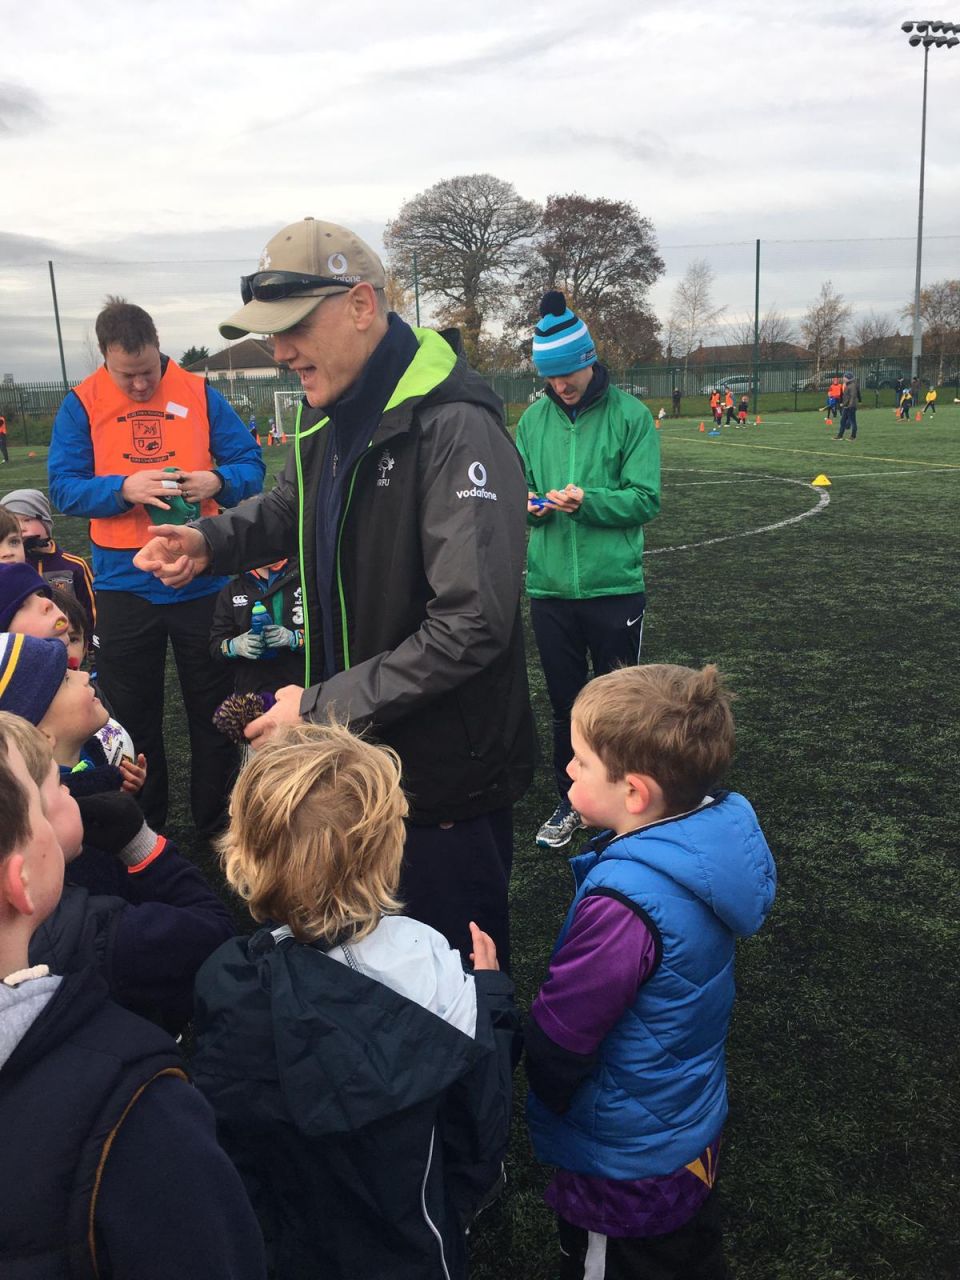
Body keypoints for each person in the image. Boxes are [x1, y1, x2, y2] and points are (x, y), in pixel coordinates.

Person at [134, 217, 534, 968]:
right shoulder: (329, 418)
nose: (280, 352)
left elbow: (472, 624)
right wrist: (205, 541)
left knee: (453, 993)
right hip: (358, 762)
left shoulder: (454, 426)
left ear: (361, 306)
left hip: (441, 782)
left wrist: (317, 707)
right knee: (370, 988)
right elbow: (289, 511)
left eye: (292, 329)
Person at [192, 721, 519, 1279]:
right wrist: (490, 995)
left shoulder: (225, 980)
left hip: (285, 1241)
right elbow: (480, 1126)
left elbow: (223, 1132)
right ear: (388, 849)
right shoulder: (431, 962)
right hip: (411, 1242)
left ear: (246, 850)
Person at [525, 664, 776, 1280]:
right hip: (687, 1124)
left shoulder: (625, 902)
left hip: (624, 1160)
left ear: (634, 793)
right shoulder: (710, 844)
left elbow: (561, 1037)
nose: (567, 771)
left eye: (580, 763)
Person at [0, 711, 266, 1280]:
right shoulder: (142, 1101)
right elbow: (211, 933)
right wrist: (141, 846)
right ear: (20, 882)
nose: (72, 793)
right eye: (54, 793)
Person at [48, 298, 265, 836]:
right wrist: (122, 489)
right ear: (104, 359)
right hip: (126, 585)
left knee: (215, 711)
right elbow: (62, 487)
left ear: (159, 349)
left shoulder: (199, 392)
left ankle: (219, 825)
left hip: (200, 578)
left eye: (148, 372)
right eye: (128, 376)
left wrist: (217, 481)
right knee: (132, 717)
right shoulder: (82, 403)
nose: (141, 385)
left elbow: (250, 465)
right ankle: (144, 827)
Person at [516, 291, 661, 851]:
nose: (561, 385)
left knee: (622, 707)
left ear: (589, 359)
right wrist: (528, 505)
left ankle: (630, 803)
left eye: (568, 371)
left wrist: (589, 501)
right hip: (550, 588)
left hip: (614, 586)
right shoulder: (531, 420)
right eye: (550, 376)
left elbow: (646, 499)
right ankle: (571, 802)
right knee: (565, 706)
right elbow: (517, 491)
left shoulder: (631, 416)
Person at [2, 487, 96, 643]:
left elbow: (92, 610)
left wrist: (91, 645)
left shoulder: (74, 565)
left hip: (68, 644)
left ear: (45, 521)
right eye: (14, 522)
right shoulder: (11, 568)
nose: (21, 527)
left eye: (27, 519)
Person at [209, 556, 305, 696]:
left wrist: (296, 639)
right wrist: (233, 646)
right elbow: (215, 647)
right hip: (252, 692)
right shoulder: (231, 590)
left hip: (302, 688)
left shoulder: (306, 578)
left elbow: (332, 636)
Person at [837, 372, 861, 440]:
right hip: (846, 406)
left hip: (851, 407)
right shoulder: (847, 385)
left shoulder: (852, 385)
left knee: (853, 422)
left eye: (844, 377)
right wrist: (844, 404)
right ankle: (840, 436)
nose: (843, 378)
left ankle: (853, 436)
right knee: (842, 421)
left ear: (848, 378)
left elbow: (852, 397)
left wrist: (850, 405)